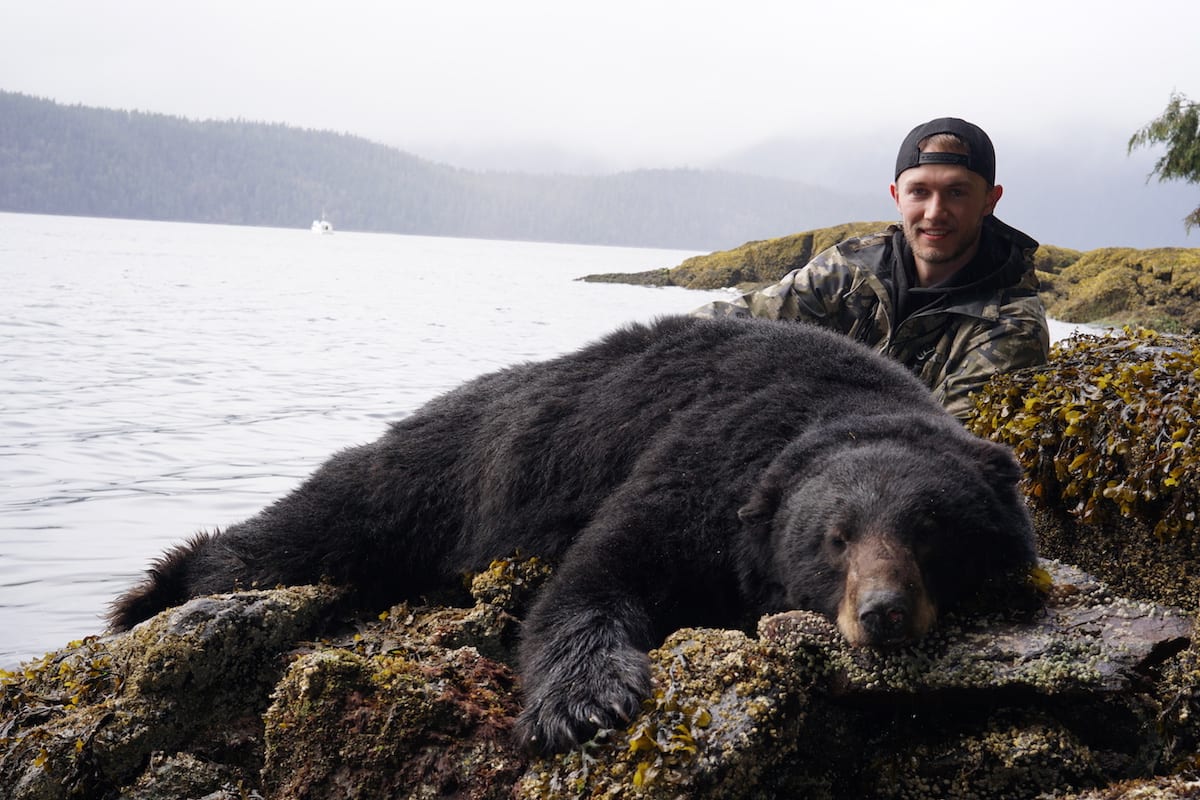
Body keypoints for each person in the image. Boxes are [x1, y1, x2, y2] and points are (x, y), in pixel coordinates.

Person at [693, 117, 1049, 420]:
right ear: (896, 196)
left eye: (956, 193)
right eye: (919, 192)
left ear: (990, 199)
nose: (934, 211)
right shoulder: (852, 268)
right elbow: (739, 321)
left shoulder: (1010, 324)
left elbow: (945, 448)